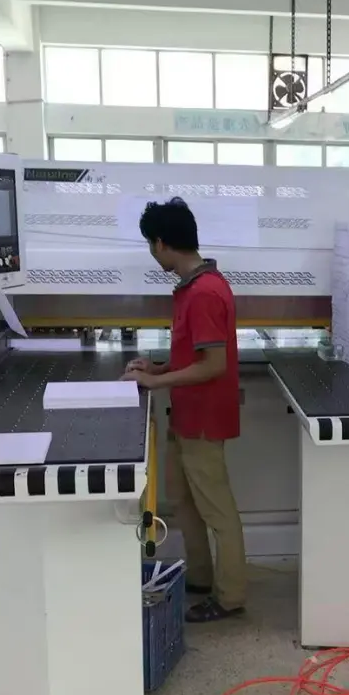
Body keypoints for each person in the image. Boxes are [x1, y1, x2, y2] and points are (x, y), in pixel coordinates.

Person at [122, 198, 247, 623]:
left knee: (217, 510)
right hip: (187, 414)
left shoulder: (205, 292)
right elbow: (193, 354)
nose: (151, 252)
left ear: (161, 243)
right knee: (184, 501)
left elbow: (215, 364)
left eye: (150, 244)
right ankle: (199, 577)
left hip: (205, 419)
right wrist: (157, 367)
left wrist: (155, 382)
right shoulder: (191, 287)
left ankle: (230, 598)